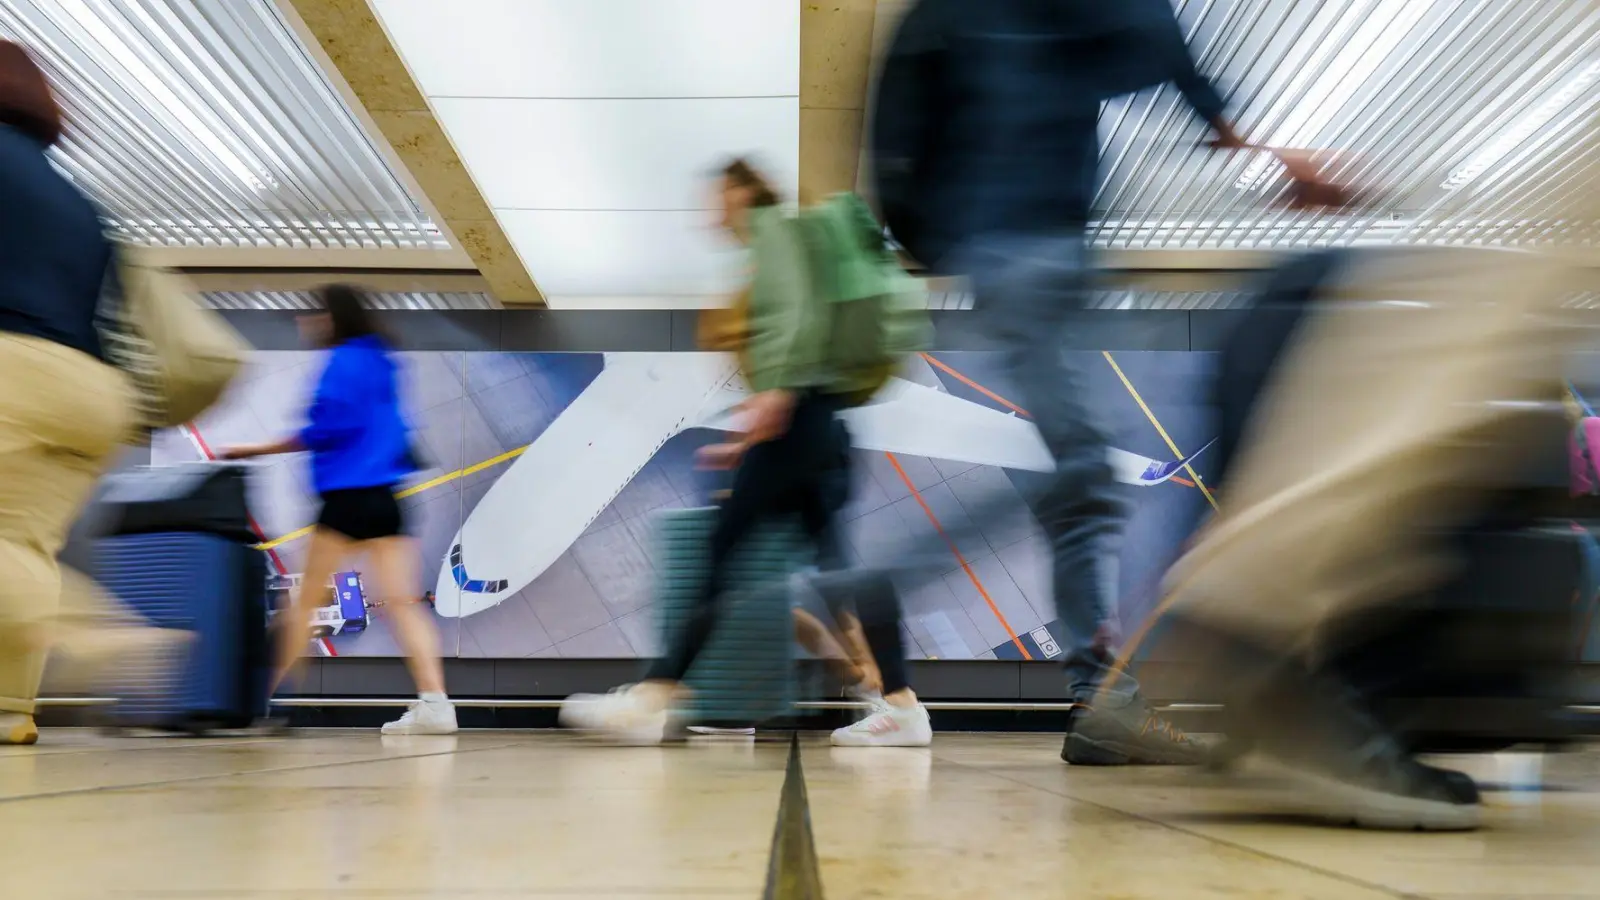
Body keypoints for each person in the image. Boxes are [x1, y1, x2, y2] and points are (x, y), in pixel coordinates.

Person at [871, 0, 1347, 765]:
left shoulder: (964, 18)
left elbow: (1136, 38)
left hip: (1045, 244)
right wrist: (1248, 144)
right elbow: (1151, 36)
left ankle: (1101, 700)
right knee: (1084, 472)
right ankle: (873, 577)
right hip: (1021, 247)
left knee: (1083, 483)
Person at [562, 159, 930, 747]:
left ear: (740, 191)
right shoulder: (781, 241)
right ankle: (904, 707)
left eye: (717, 196)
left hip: (801, 415)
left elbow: (796, 314)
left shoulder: (773, 231)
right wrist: (750, 434)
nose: (712, 211)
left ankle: (655, 695)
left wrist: (779, 392)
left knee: (721, 557)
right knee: (840, 569)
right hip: (817, 423)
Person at [0, 42, 193, 745]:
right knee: (16, 545)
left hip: (11, 367)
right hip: (90, 392)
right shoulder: (77, 201)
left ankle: (94, 634)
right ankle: (11, 709)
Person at [223, 285, 455, 736]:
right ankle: (436, 704)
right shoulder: (383, 359)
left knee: (305, 603)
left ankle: (258, 704)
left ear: (331, 318)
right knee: (403, 603)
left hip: (347, 500)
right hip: (388, 498)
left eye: (310, 315)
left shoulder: (340, 362)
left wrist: (253, 448)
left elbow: (321, 430)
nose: (303, 323)